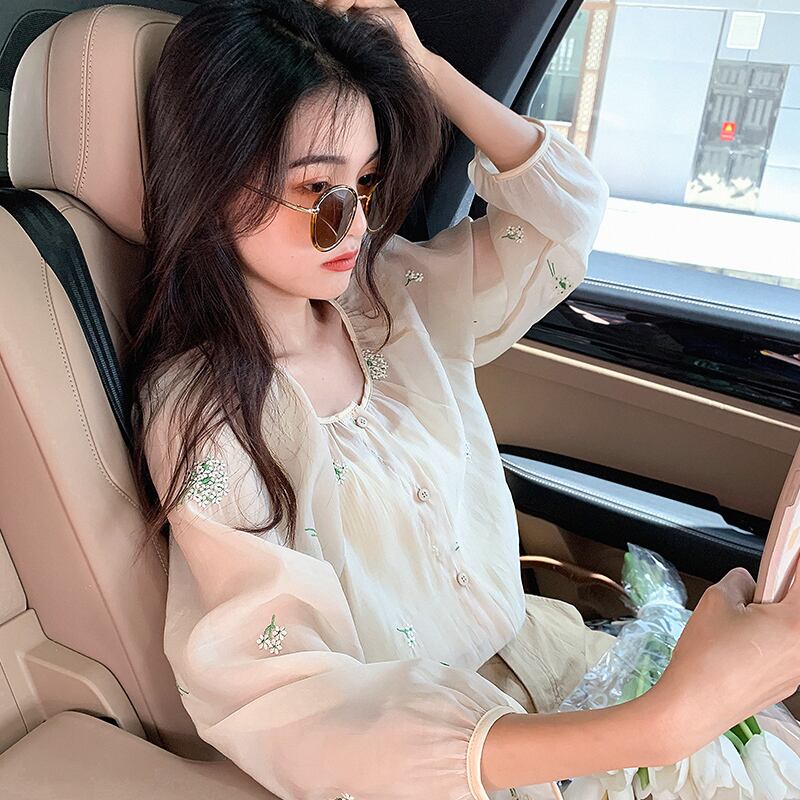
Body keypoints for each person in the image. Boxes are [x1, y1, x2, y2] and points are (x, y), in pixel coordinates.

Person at [123, 1, 800, 799]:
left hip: (549, 659)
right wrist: (664, 723)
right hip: (464, 758)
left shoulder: (397, 294)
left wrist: (426, 68)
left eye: (366, 183)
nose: (355, 224)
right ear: (211, 181)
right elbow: (294, 703)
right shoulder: (208, 415)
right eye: (317, 189)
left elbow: (567, 215)